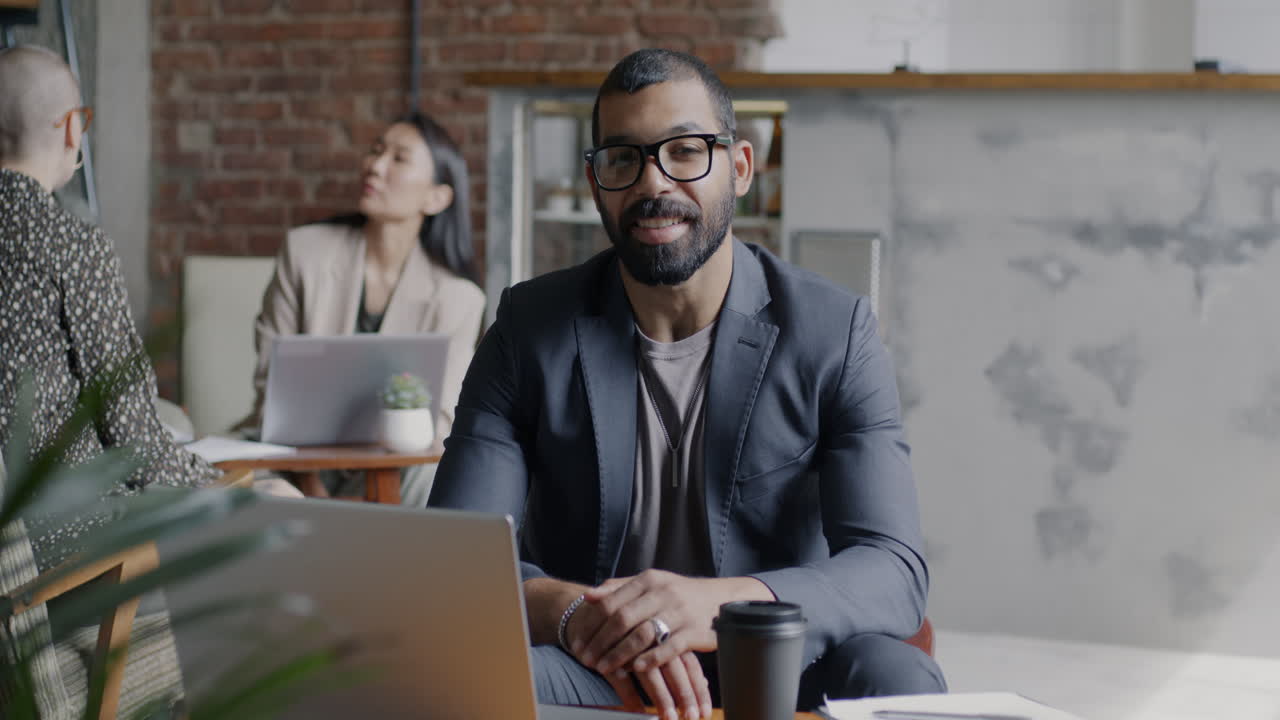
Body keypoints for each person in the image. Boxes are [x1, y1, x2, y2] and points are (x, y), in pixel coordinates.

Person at [429, 48, 946, 718]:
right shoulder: (531, 328)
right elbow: (454, 563)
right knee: (451, 673)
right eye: (624, 158)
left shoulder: (832, 331)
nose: (654, 183)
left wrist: (715, 604)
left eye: (685, 151)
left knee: (898, 679)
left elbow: (892, 569)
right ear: (596, 184)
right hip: (602, 661)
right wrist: (576, 613)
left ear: (739, 169)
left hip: (776, 657)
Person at [0, 45, 301, 567]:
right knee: (280, 512)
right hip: (67, 539)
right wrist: (234, 491)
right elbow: (130, 431)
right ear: (72, 128)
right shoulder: (69, 245)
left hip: (17, 536)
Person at [242, 112, 485, 506]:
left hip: (397, 470)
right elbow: (273, 388)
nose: (374, 165)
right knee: (249, 490)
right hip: (291, 458)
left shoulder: (459, 298)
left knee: (444, 474)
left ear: (437, 197)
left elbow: (439, 422)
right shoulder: (304, 253)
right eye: (375, 151)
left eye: (399, 158)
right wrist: (313, 491)